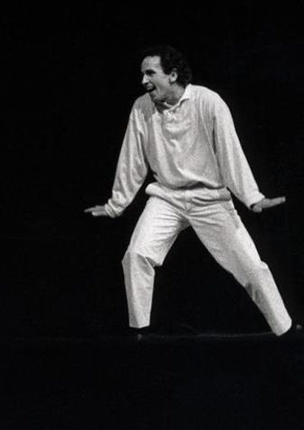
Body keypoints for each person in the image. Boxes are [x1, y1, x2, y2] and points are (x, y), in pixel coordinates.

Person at [85, 45, 295, 337]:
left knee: (251, 268)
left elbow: (230, 153)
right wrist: (115, 205)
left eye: (150, 73)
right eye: (142, 74)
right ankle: (140, 334)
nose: (144, 80)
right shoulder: (141, 107)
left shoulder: (208, 102)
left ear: (172, 75)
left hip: (209, 198)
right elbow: (132, 160)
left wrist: (252, 198)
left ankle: (287, 331)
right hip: (166, 197)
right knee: (136, 255)